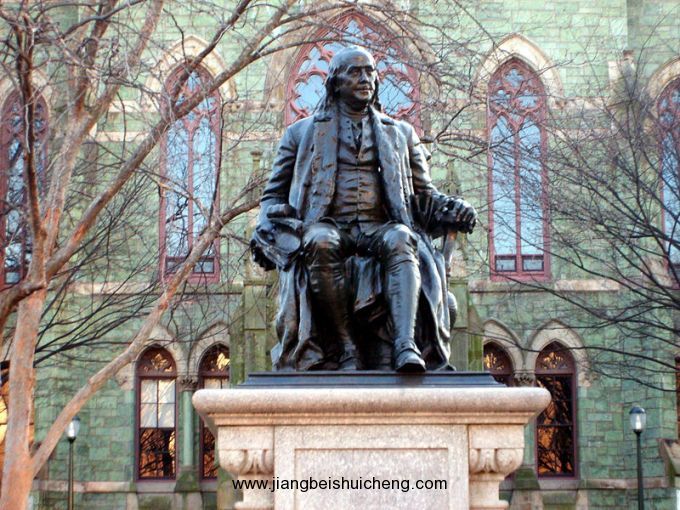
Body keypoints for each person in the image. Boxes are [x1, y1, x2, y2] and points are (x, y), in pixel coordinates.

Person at [251, 46, 476, 372]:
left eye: (370, 71)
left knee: (402, 238)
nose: (365, 78)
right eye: (355, 72)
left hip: (380, 227)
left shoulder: (401, 133)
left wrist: (455, 208)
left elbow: (424, 198)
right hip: (329, 224)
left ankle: (405, 346)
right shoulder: (300, 133)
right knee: (320, 241)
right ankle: (347, 347)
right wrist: (266, 229)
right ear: (335, 82)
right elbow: (272, 196)